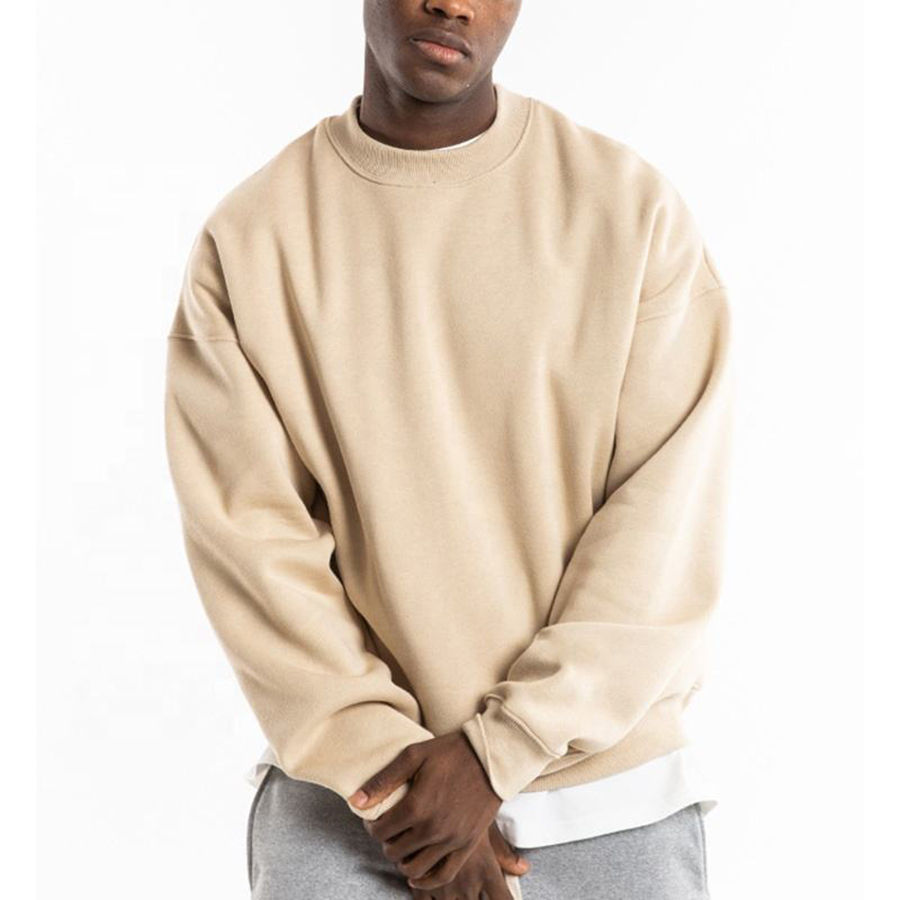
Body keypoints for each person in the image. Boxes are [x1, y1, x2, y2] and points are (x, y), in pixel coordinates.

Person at [164, 1, 734, 897]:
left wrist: (496, 752)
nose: (454, 4)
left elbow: (665, 521)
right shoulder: (252, 239)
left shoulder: (630, 213)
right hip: (351, 810)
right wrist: (395, 782)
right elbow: (250, 544)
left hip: (607, 802)